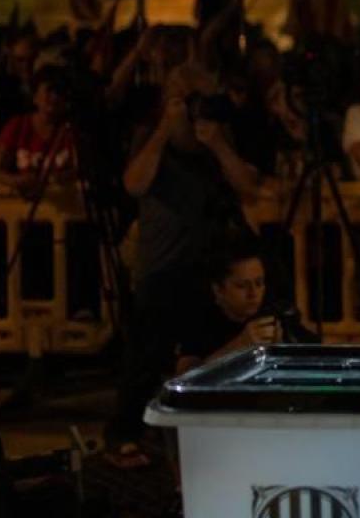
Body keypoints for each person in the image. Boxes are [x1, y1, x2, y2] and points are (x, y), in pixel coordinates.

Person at [104, 64, 262, 468]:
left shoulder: (215, 140)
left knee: (202, 354)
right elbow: (133, 184)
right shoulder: (151, 137)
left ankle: (192, 431)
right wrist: (163, 129)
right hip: (161, 267)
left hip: (206, 270)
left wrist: (217, 143)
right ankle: (125, 433)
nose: (191, 117)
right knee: (146, 354)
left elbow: (248, 188)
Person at [174, 234, 315, 374]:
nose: (253, 293)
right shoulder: (198, 319)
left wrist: (280, 348)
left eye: (259, 283)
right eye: (242, 286)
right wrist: (240, 345)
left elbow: (311, 356)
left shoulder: (271, 312)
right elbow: (184, 378)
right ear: (218, 290)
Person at [0, 66, 78, 198]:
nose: (54, 97)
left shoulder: (71, 129)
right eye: (49, 91)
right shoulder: (18, 125)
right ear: (35, 96)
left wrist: (56, 178)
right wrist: (15, 181)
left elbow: (82, 170)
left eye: (59, 92)